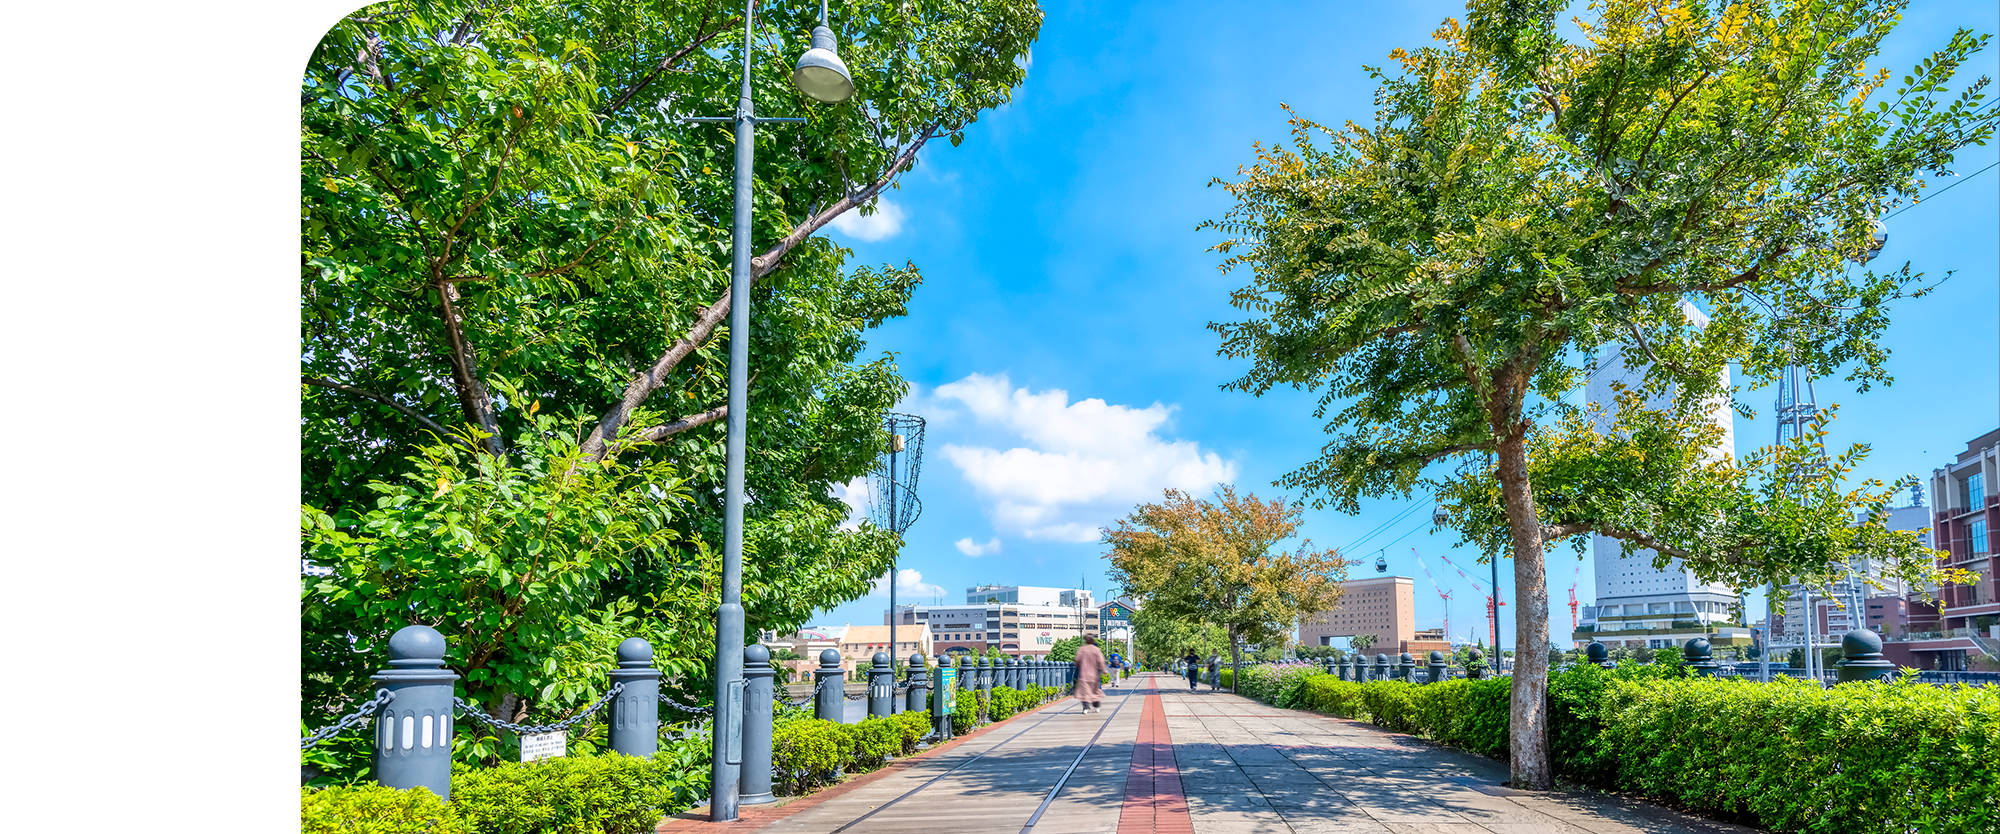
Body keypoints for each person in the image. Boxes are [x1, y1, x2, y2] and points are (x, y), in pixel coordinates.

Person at [1073, 634, 1108, 713]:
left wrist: (1077, 665)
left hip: (1084, 675)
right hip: (1094, 675)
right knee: (1094, 691)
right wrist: (1104, 670)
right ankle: (1097, 706)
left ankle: (1085, 708)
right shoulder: (1096, 650)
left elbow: (1077, 660)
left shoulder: (1081, 649)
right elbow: (1101, 661)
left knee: (1085, 692)